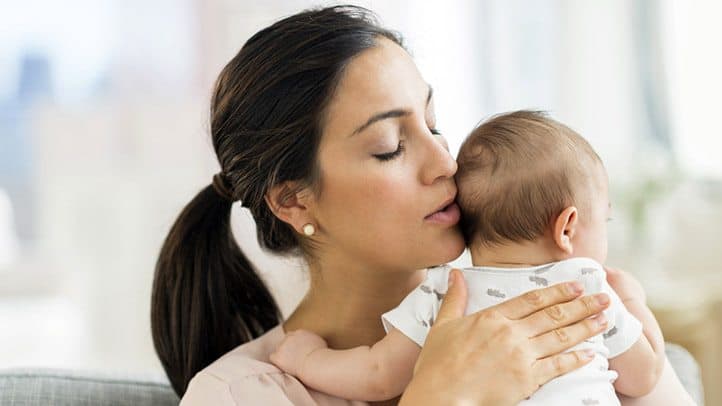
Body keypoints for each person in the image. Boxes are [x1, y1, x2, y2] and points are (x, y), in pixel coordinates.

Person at [150, 5, 696, 405]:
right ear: (293, 199)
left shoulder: (558, 312)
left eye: (435, 125)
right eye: (390, 147)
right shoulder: (240, 394)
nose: (444, 161)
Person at [269, 111, 666, 405]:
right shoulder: (588, 288)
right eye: (389, 148)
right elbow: (643, 375)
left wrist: (307, 359)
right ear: (567, 227)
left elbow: (378, 376)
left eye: (434, 126)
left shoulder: (445, 294)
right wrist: (634, 302)